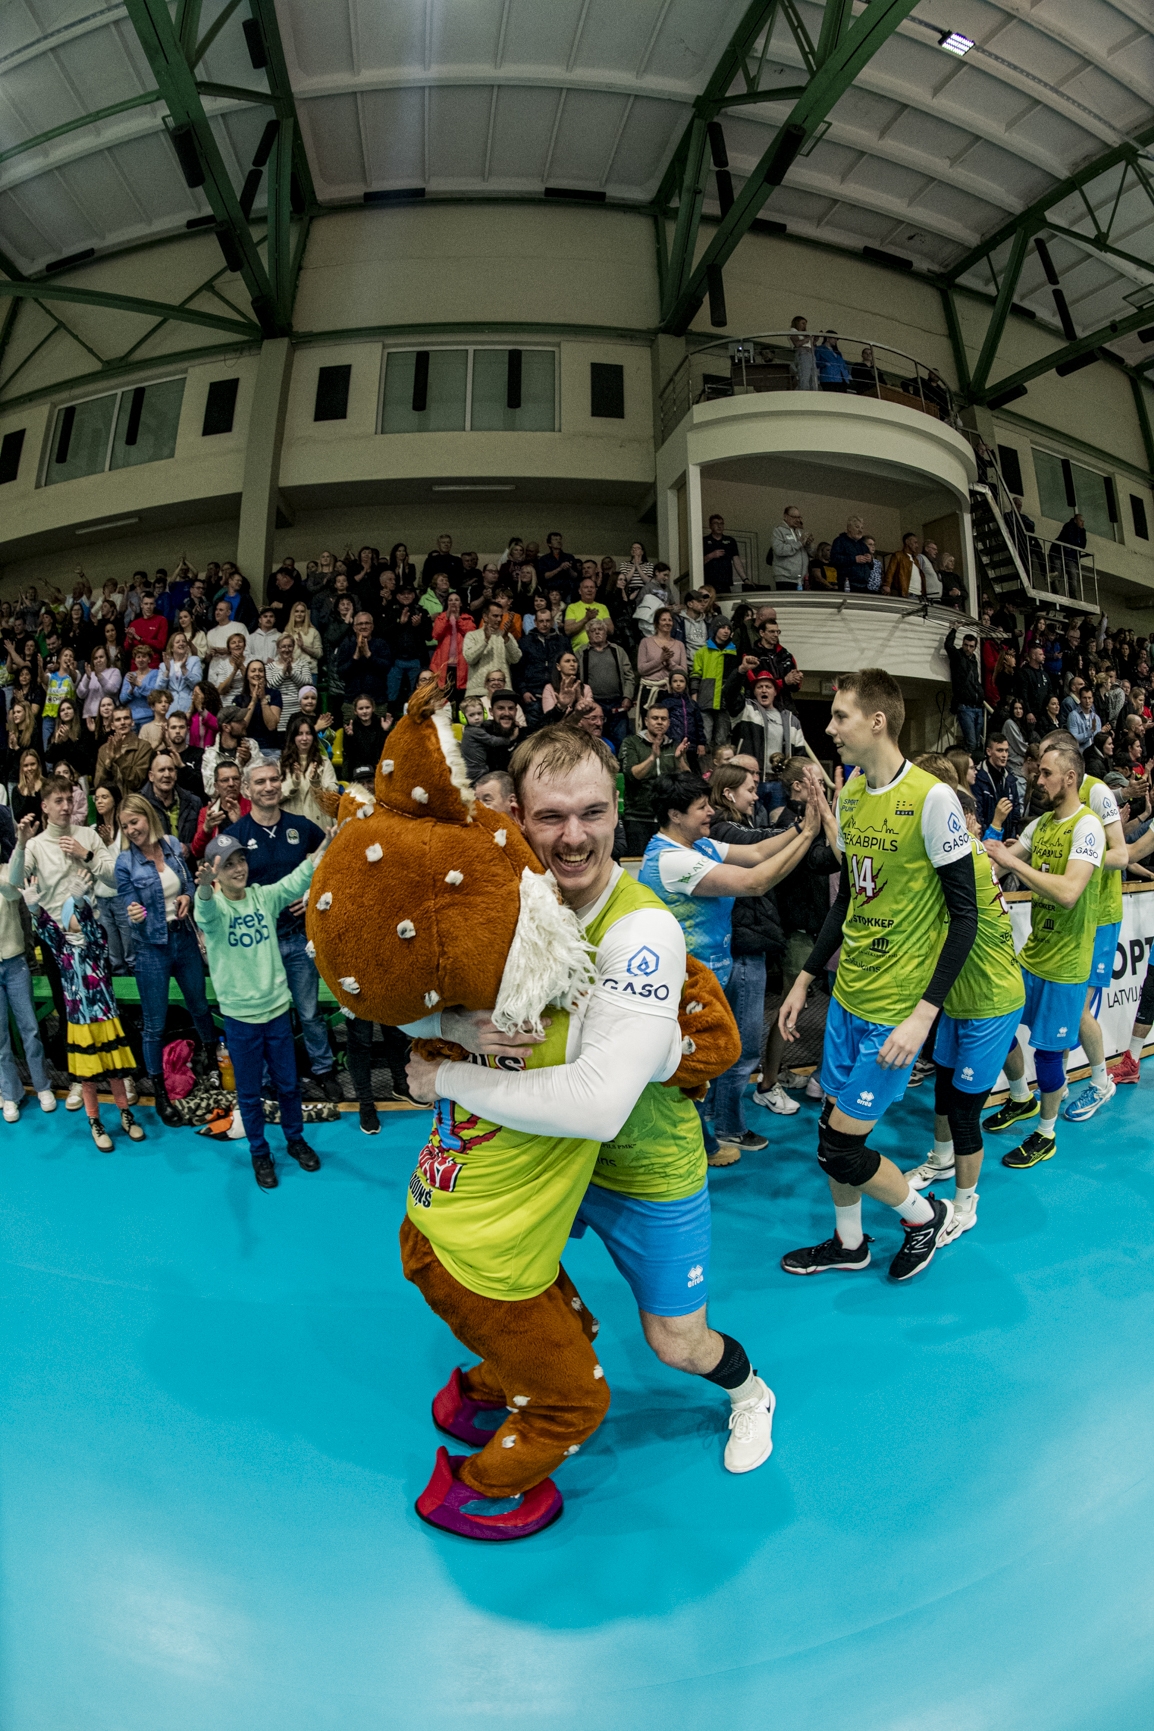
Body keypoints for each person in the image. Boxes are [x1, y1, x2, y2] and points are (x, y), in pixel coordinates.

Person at [402, 726, 776, 1519]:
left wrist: (448, 1075)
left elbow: (601, 1105)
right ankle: (505, 1378)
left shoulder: (642, 929)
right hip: (540, 1154)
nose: (573, 836)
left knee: (676, 1341)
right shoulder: (508, 895)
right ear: (517, 815)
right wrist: (458, 1028)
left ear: (617, 812)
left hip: (639, 1167)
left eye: (592, 813)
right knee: (508, 1281)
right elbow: (401, 989)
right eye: (551, 816)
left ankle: (750, 1390)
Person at [777, 669, 977, 1281]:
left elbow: (965, 918)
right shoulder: (853, 795)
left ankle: (924, 1215)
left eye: (840, 717)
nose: (831, 728)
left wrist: (924, 1015)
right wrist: (806, 978)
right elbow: (848, 900)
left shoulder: (933, 799)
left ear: (877, 721)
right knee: (830, 1130)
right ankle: (849, 1243)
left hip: (896, 1010)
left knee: (840, 1146)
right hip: (848, 998)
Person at [640, 770, 819, 1164]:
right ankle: (700, 1146)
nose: (710, 812)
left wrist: (801, 827)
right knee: (692, 1067)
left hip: (711, 976)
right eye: (701, 807)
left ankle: (707, 1136)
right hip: (684, 985)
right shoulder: (672, 860)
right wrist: (807, 836)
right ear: (675, 815)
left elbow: (757, 853)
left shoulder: (699, 845)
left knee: (709, 1062)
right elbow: (755, 881)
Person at [900, 784, 1025, 1243]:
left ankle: (966, 1204)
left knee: (965, 1111)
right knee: (944, 1092)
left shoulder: (963, 859)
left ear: (964, 821)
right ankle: (940, 1160)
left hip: (992, 1001)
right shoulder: (964, 855)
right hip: (959, 998)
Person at [982, 741, 1105, 1168]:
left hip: (1067, 964)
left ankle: (1046, 1133)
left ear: (1070, 778)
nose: (1039, 780)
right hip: (1033, 954)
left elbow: (1069, 893)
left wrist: (1014, 864)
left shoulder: (1087, 827)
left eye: (1047, 773)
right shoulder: (1042, 825)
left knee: (1050, 1057)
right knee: (998, 1028)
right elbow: (995, 866)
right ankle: (1020, 1098)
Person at [195, 835, 323, 1189]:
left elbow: (296, 880)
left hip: (277, 1011)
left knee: (288, 1085)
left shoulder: (263, 897)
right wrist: (204, 888)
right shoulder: (215, 907)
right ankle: (259, 1152)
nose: (238, 869)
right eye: (228, 865)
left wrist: (326, 846)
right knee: (249, 1093)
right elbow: (205, 912)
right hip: (240, 1019)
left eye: (241, 860)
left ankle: (295, 1140)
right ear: (215, 873)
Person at [225, 758, 339, 1101]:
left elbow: (330, 863)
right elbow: (225, 890)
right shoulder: (235, 836)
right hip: (259, 945)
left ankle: (324, 1070)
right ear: (247, 789)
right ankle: (266, 1080)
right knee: (264, 1016)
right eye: (260, 782)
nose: (269, 786)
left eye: (274, 779)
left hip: (298, 938)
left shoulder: (301, 827)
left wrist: (311, 894)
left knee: (309, 1013)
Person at [21, 853, 142, 1150]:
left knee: (115, 1073)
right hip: (80, 1023)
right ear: (65, 920)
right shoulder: (61, 949)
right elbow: (48, 930)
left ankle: (126, 1114)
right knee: (87, 1079)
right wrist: (35, 909)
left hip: (105, 1018)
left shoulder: (96, 943)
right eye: (73, 912)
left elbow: (90, 928)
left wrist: (81, 904)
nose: (79, 915)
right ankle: (95, 1121)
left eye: (82, 911)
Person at [117, 792, 218, 1124]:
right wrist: (134, 913)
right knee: (154, 1025)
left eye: (134, 821)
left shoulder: (173, 845)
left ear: (147, 816)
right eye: (125, 826)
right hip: (151, 948)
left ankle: (213, 1065)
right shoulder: (124, 863)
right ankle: (160, 1093)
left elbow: (188, 883)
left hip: (185, 939)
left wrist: (188, 896)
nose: (131, 830)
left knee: (200, 1007)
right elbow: (130, 903)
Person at [756, 757, 842, 1112]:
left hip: (815, 926)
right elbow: (821, 862)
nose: (821, 789)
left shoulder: (810, 822)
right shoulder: (791, 825)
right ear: (797, 787)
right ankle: (767, 1082)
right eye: (816, 782)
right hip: (798, 929)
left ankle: (787, 1073)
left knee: (805, 1005)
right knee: (789, 1007)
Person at [618, 700, 686, 854]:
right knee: (636, 863)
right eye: (655, 718)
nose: (659, 722)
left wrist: (680, 760)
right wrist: (652, 758)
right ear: (646, 721)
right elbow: (631, 776)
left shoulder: (675, 746)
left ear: (668, 723)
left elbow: (687, 780)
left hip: (668, 821)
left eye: (663, 719)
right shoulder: (631, 743)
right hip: (638, 818)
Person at [729, 672, 806, 783]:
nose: (764, 690)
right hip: (749, 780)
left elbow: (800, 755)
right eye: (759, 687)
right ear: (754, 692)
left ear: (775, 692)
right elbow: (730, 694)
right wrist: (740, 671)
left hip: (781, 783)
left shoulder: (791, 720)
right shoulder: (745, 709)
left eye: (768, 687)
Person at [281, 716, 339, 831]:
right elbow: (275, 796)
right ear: (293, 737)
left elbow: (333, 794)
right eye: (300, 734)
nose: (304, 738)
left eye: (308, 733)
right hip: (291, 827)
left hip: (319, 824)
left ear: (313, 737)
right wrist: (293, 783)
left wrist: (317, 783)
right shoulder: (282, 763)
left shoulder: (324, 762)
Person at [141, 748, 202, 851]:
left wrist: (188, 848)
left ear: (176, 774)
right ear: (151, 776)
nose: (167, 775)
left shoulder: (193, 802)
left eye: (170, 770)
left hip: (188, 860)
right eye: (161, 770)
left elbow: (202, 840)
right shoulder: (140, 805)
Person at [690, 619, 737, 749]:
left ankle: (721, 763)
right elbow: (695, 676)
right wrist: (694, 697)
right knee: (704, 739)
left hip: (725, 702)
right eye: (722, 627)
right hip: (706, 700)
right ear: (715, 629)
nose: (726, 631)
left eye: (729, 628)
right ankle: (705, 763)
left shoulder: (734, 653)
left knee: (722, 741)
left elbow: (739, 680)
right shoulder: (702, 652)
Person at [460, 690, 525, 784]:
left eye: (511, 708)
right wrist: (510, 738)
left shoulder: (524, 734)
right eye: (500, 708)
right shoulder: (482, 731)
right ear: (491, 711)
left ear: (516, 712)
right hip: (478, 775)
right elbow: (492, 740)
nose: (507, 713)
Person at [190, 759, 249, 859]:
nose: (231, 784)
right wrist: (206, 829)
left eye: (235, 779)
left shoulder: (252, 807)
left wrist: (240, 823)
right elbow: (197, 851)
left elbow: (258, 844)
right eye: (225, 780)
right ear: (216, 786)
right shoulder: (207, 812)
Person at [462, 599, 522, 696]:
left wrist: (506, 640)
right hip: (478, 692)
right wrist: (485, 640)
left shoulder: (507, 636)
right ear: (485, 617)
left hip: (503, 692)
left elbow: (516, 659)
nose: (499, 619)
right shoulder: (472, 635)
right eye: (495, 616)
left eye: (501, 616)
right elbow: (470, 659)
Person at [945, 625, 986, 755]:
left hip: (976, 705)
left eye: (971, 646)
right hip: (965, 705)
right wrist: (954, 630)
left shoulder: (974, 660)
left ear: (975, 647)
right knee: (972, 743)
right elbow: (948, 646)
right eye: (966, 645)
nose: (968, 648)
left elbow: (975, 680)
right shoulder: (958, 656)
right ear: (962, 644)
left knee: (977, 743)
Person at [973, 731, 1022, 840]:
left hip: (1007, 841)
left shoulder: (1010, 780)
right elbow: (978, 816)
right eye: (1000, 750)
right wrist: (988, 839)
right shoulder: (977, 779)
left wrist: (1012, 836)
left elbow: (1016, 814)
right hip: (987, 840)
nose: (1004, 755)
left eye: (1006, 751)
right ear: (989, 751)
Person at [338, 694, 391, 785]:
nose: (364, 711)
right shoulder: (351, 727)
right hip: (356, 768)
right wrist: (350, 736)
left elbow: (384, 749)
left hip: (376, 767)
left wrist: (385, 731)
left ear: (373, 708)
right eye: (361, 708)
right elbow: (349, 753)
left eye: (367, 708)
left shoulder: (380, 724)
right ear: (355, 711)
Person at [770, 506, 814, 590]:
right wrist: (799, 543)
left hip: (801, 579)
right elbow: (779, 550)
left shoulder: (799, 532)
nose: (798, 520)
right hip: (785, 578)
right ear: (785, 516)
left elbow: (812, 553)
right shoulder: (778, 531)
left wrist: (808, 544)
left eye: (799, 517)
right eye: (794, 517)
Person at [702, 515, 745, 593]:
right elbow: (697, 564)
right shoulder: (704, 541)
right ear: (710, 526)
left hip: (726, 582)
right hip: (709, 583)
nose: (719, 526)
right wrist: (711, 555)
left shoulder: (730, 541)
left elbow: (736, 561)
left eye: (721, 523)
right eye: (716, 523)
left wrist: (745, 579)